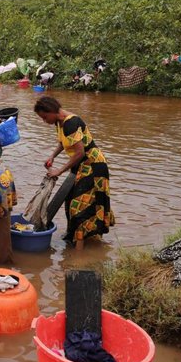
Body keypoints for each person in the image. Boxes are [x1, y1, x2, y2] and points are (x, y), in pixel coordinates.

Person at [34, 96, 114, 248]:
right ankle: (81, 243)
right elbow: (63, 142)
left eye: (44, 117)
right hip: (81, 167)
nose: (44, 121)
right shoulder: (60, 122)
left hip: (93, 166)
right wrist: (52, 156)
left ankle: (79, 254)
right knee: (71, 201)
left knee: (78, 208)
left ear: (51, 111)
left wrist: (59, 170)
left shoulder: (70, 123)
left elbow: (80, 153)